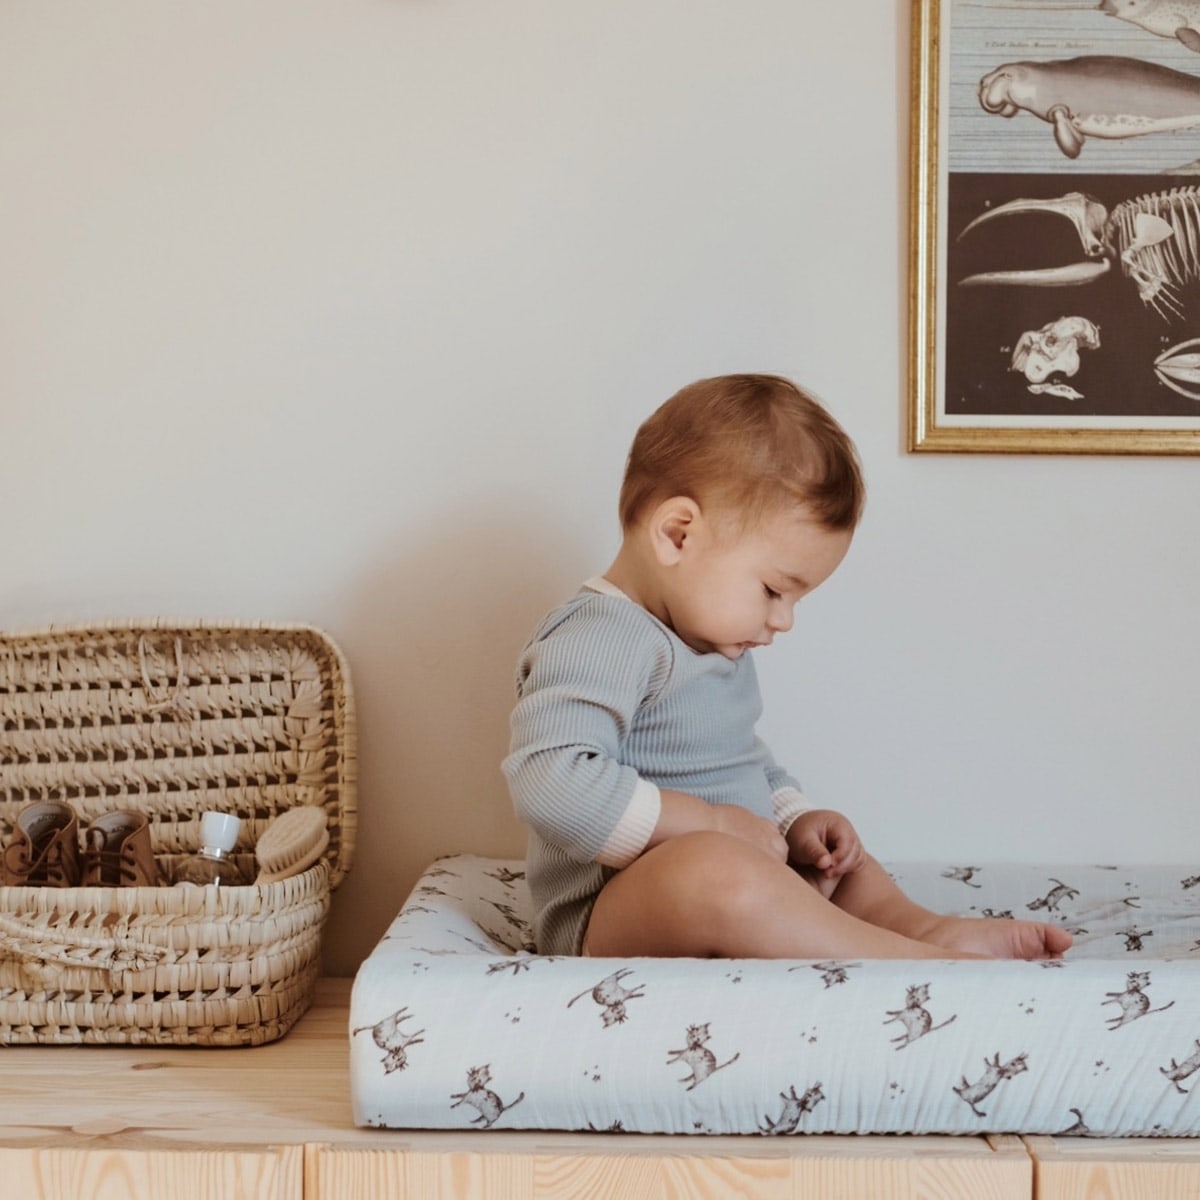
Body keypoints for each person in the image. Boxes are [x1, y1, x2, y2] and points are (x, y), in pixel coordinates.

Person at [502, 374, 1072, 963]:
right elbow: (553, 780)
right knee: (715, 870)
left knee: (841, 857)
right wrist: (714, 828)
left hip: (741, 874)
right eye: (775, 589)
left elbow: (742, 763)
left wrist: (793, 820)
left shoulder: (714, 641)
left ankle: (918, 930)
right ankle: (903, 961)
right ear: (678, 534)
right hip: (614, 914)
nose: (785, 620)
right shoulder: (602, 634)